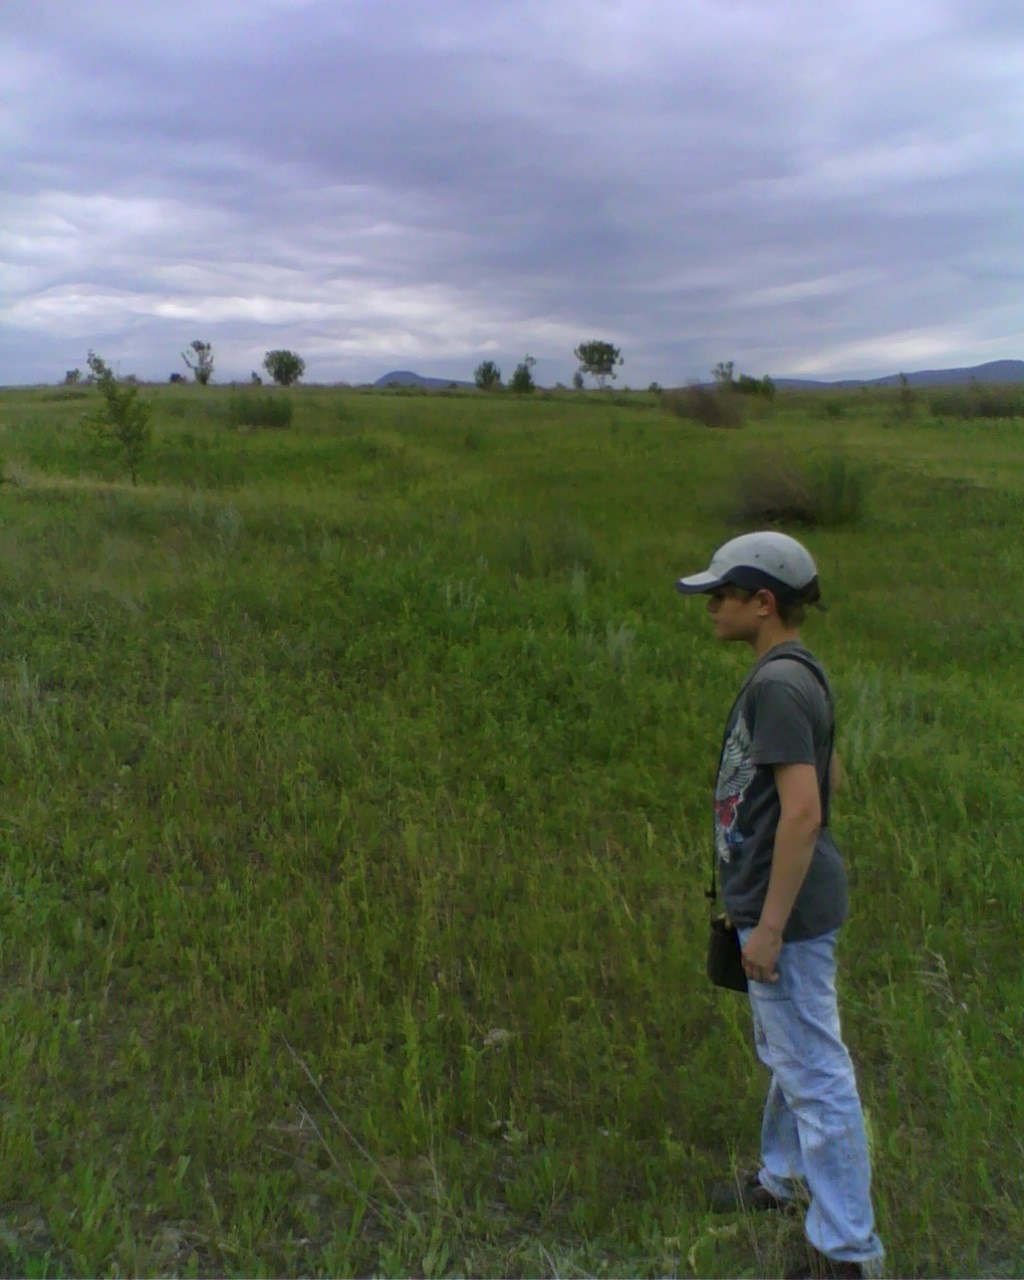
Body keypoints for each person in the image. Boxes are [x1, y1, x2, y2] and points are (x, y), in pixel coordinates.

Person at [676, 531, 884, 1280]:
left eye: (721, 594)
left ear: (762, 602)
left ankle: (847, 1251)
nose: (711, 607)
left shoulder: (778, 685)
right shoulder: (797, 671)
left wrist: (767, 925)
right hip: (779, 902)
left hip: (784, 915)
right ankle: (784, 1178)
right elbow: (830, 773)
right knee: (788, 1051)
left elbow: (804, 811)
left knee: (816, 1072)